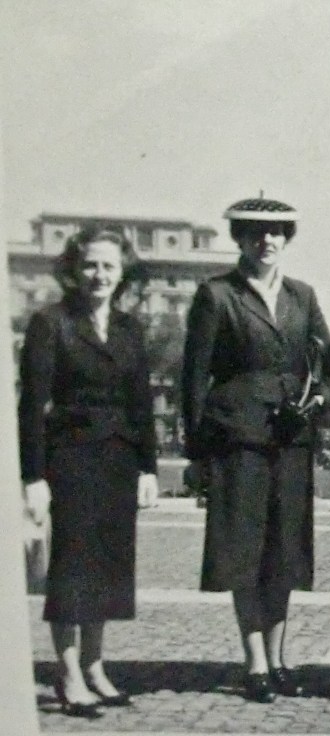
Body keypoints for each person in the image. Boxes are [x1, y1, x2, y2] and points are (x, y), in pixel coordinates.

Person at [181, 197, 330, 703]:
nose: (266, 241)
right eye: (255, 232)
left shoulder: (302, 295)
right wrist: (197, 454)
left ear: (287, 239)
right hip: (238, 442)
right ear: (240, 239)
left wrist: (318, 401)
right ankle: (254, 662)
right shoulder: (217, 295)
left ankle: (278, 659)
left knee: (284, 554)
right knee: (244, 553)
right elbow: (194, 378)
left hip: (291, 441)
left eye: (275, 233)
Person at [18, 226, 158, 718]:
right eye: (90, 265)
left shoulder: (129, 328)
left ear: (123, 273)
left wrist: (148, 467)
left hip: (119, 460)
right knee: (72, 567)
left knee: (109, 566)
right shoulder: (51, 323)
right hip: (70, 461)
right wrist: (33, 477)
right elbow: (31, 406)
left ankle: (96, 666)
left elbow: (141, 404)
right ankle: (69, 674)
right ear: (74, 271)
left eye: (109, 266)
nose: (99, 275)